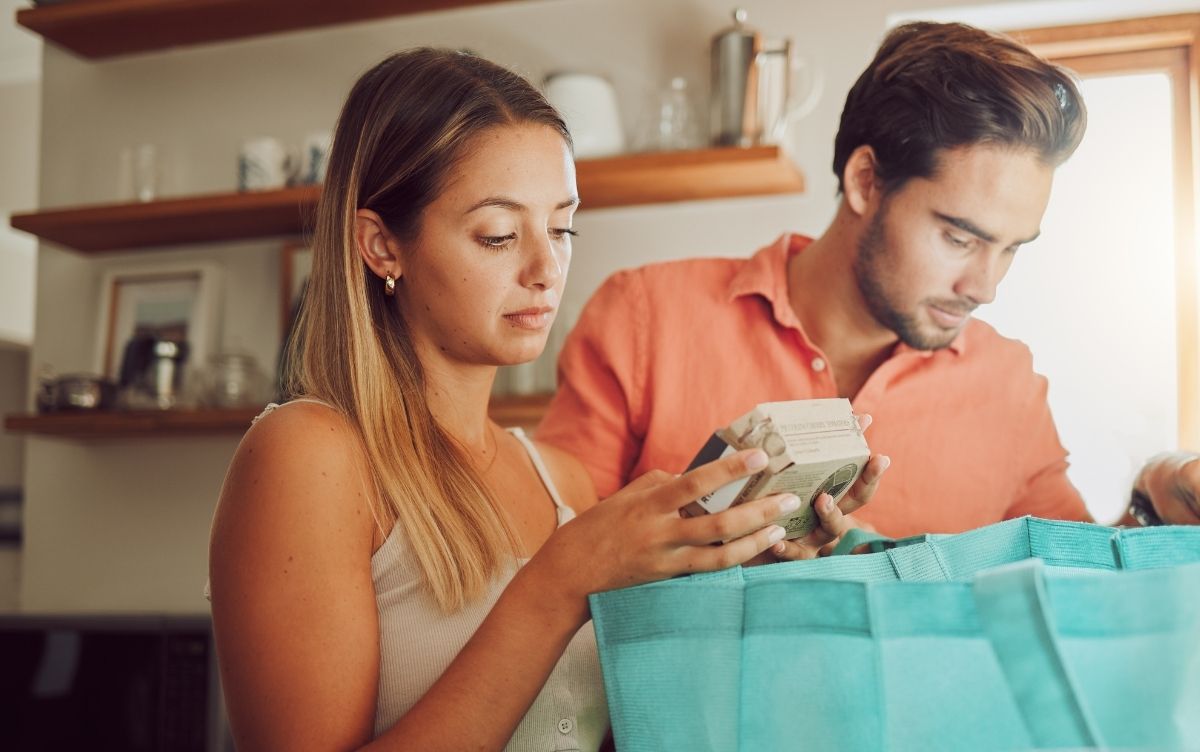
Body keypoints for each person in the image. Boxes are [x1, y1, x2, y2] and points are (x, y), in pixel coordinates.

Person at [206, 48, 884, 752]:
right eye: (498, 235)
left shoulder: (558, 478)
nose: (546, 269)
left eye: (562, 227)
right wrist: (555, 587)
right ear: (381, 245)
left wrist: (740, 563)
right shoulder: (309, 454)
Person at [538, 21, 1200, 539]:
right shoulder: (647, 317)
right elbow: (552, 561)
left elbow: (1071, 591)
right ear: (864, 181)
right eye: (960, 237)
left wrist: (1153, 504)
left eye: (1011, 249)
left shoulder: (1010, 385)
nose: (985, 285)